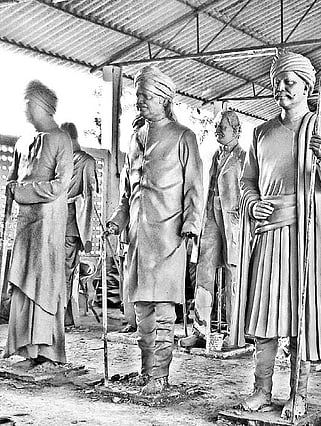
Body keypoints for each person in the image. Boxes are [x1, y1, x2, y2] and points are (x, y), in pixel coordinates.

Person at [229, 50, 321, 420]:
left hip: (304, 234)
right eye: (277, 82)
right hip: (269, 230)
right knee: (265, 315)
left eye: (289, 82)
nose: (282, 88)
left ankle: (299, 394)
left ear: (306, 86)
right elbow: (247, 181)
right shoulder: (261, 132)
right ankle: (262, 390)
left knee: (301, 318)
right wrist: (252, 203)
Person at [106, 65, 204, 394]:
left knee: (162, 310)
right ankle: (147, 369)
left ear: (163, 99)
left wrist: (191, 225)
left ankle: (160, 375)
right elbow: (127, 193)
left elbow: (194, 189)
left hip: (169, 236)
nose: (140, 102)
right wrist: (117, 221)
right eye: (138, 96)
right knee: (141, 310)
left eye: (145, 96)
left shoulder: (183, 137)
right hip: (138, 237)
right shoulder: (136, 138)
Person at [3, 80, 73, 367]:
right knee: (23, 281)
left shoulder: (60, 139)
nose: (25, 109)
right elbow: (12, 179)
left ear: (42, 105)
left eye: (29, 103)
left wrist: (22, 192)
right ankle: (24, 348)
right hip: (25, 225)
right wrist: (12, 189)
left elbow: (60, 185)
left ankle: (46, 352)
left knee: (43, 284)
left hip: (48, 224)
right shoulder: (23, 142)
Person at [179, 110, 245, 350]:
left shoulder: (244, 158)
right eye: (217, 126)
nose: (218, 131)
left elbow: (249, 191)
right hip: (210, 219)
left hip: (233, 223)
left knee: (233, 277)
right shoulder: (213, 156)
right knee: (203, 273)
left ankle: (235, 333)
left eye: (223, 127)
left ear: (236, 131)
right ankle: (200, 330)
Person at [60, 122, 97, 328]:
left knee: (65, 271)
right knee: (63, 271)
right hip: (60, 224)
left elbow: (89, 197)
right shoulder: (66, 160)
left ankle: (62, 316)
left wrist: (87, 234)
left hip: (68, 225)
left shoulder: (83, 161)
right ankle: (58, 317)